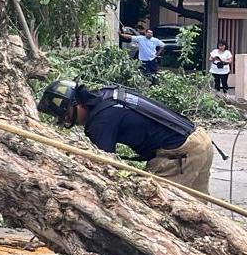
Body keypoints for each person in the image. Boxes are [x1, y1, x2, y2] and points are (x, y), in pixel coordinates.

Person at [37, 80, 214, 194]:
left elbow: (103, 167)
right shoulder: (107, 95)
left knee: (163, 209)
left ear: (76, 104)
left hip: (180, 153)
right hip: (200, 139)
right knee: (199, 210)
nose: (69, 121)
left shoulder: (101, 121)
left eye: (66, 115)